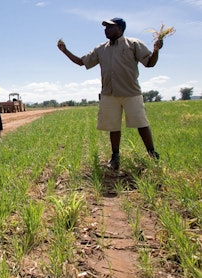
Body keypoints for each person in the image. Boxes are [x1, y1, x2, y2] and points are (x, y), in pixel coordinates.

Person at [57, 17, 163, 170]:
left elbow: (150, 63)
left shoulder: (133, 44)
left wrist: (156, 51)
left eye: (110, 27)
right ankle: (115, 157)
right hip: (109, 94)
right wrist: (65, 51)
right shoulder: (101, 49)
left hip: (131, 92)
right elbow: (82, 62)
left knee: (141, 123)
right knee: (114, 126)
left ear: (120, 29)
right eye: (105, 27)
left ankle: (152, 154)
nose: (106, 30)